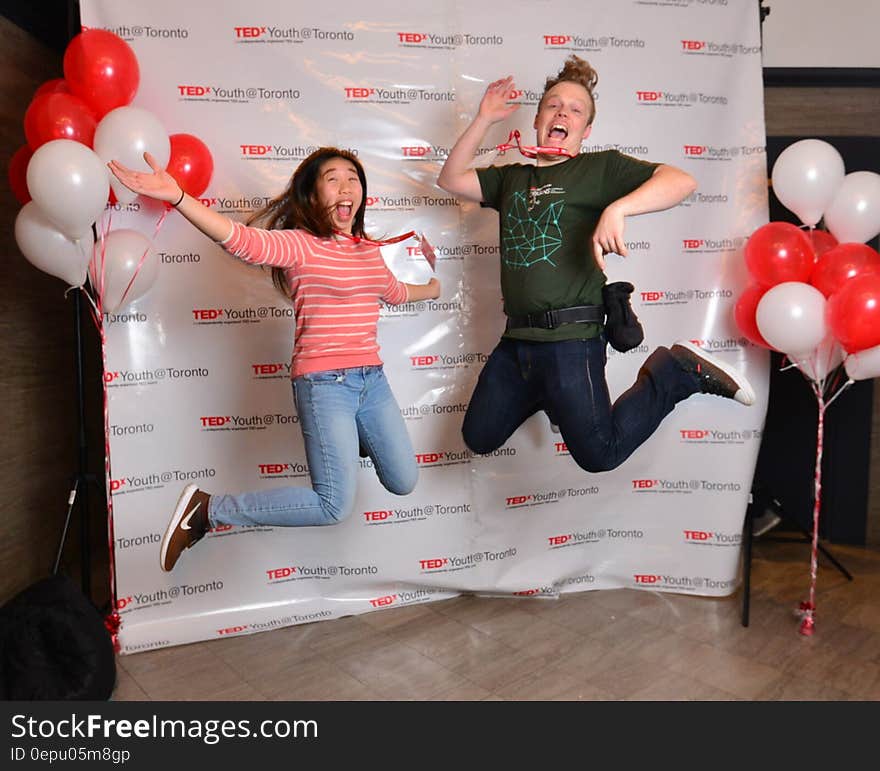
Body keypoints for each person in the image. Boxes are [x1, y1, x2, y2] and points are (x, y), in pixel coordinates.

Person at [109, 147, 440, 571]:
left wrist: (433, 285)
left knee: (403, 480)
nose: (346, 187)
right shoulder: (300, 245)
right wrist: (178, 197)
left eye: (353, 179)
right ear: (314, 195)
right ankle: (207, 510)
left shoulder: (367, 251)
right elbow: (240, 241)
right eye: (333, 178)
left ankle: (352, 432)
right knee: (333, 505)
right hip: (324, 386)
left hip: (372, 383)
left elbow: (394, 292)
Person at [436, 55, 755, 473]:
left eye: (575, 108)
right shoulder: (510, 179)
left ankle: (677, 371)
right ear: (536, 120)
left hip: (571, 341)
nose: (562, 112)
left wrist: (618, 209)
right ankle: (546, 397)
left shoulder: (599, 168)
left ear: (585, 131)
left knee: (599, 455)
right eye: (553, 104)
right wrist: (483, 118)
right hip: (517, 341)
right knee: (479, 436)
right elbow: (451, 178)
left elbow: (682, 181)